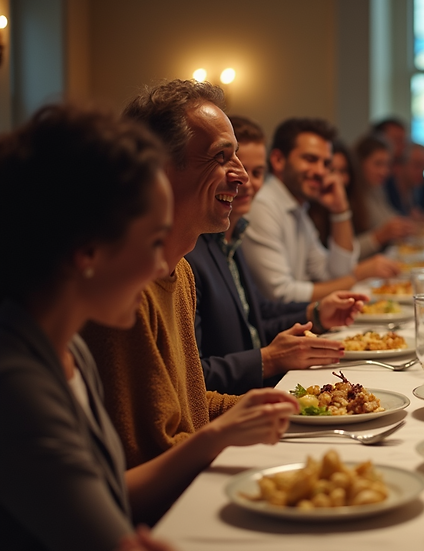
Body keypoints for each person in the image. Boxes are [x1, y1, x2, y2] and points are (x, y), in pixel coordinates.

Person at [0, 105, 296, 549]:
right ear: (88, 252)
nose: (164, 264)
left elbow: (110, 493)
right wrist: (217, 435)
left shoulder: (68, 350)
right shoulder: (17, 382)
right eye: (155, 241)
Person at [80, 80, 299, 473]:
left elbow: (191, 406)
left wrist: (291, 407)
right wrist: (231, 428)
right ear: (161, 168)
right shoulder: (126, 288)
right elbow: (148, 451)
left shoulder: (180, 270)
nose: (243, 177)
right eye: (221, 157)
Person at [186, 115, 368, 395]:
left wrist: (317, 314)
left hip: (258, 389)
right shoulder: (193, 250)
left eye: (256, 172)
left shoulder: (232, 236)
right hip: (238, 399)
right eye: (310, 159)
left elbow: (258, 314)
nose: (245, 180)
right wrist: (270, 359)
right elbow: (192, 377)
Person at [241, 118, 400, 303]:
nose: (321, 171)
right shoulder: (263, 204)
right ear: (278, 160)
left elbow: (333, 273)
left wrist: (340, 210)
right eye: (310, 159)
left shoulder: (297, 207)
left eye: (325, 163)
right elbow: (281, 293)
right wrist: (358, 276)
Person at [346, 133, 417, 256]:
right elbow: (344, 252)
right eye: (378, 164)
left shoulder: (375, 189)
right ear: (359, 163)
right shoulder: (348, 196)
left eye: (387, 165)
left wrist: (403, 225)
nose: (384, 171)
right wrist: (379, 237)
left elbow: (390, 219)